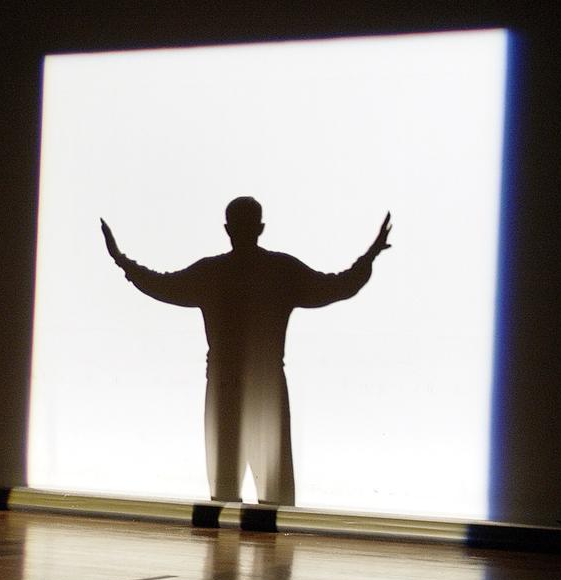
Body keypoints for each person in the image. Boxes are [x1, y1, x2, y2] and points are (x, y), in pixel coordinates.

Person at [101, 197, 391, 506]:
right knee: (274, 494)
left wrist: (122, 260)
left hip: (224, 386)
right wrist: (369, 256)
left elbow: (160, 284)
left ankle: (224, 553)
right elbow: (337, 286)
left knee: (224, 490)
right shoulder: (281, 270)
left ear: (227, 229)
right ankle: (271, 553)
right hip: (267, 386)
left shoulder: (211, 273)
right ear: (261, 228)